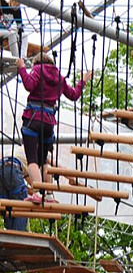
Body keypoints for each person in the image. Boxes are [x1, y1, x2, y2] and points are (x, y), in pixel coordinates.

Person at [16, 53, 91, 203]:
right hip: (49, 123)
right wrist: (82, 81)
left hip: (33, 119)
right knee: (43, 160)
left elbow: (29, 85)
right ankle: (49, 194)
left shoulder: (37, 69)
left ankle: (38, 192)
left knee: (32, 160)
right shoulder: (60, 78)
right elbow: (74, 95)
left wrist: (21, 68)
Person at [0, 156, 28, 231]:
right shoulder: (37, 153)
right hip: (12, 167)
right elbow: (33, 184)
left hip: (2, 167)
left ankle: (10, 233)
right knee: (23, 205)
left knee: (7, 207)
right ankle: (18, 236)